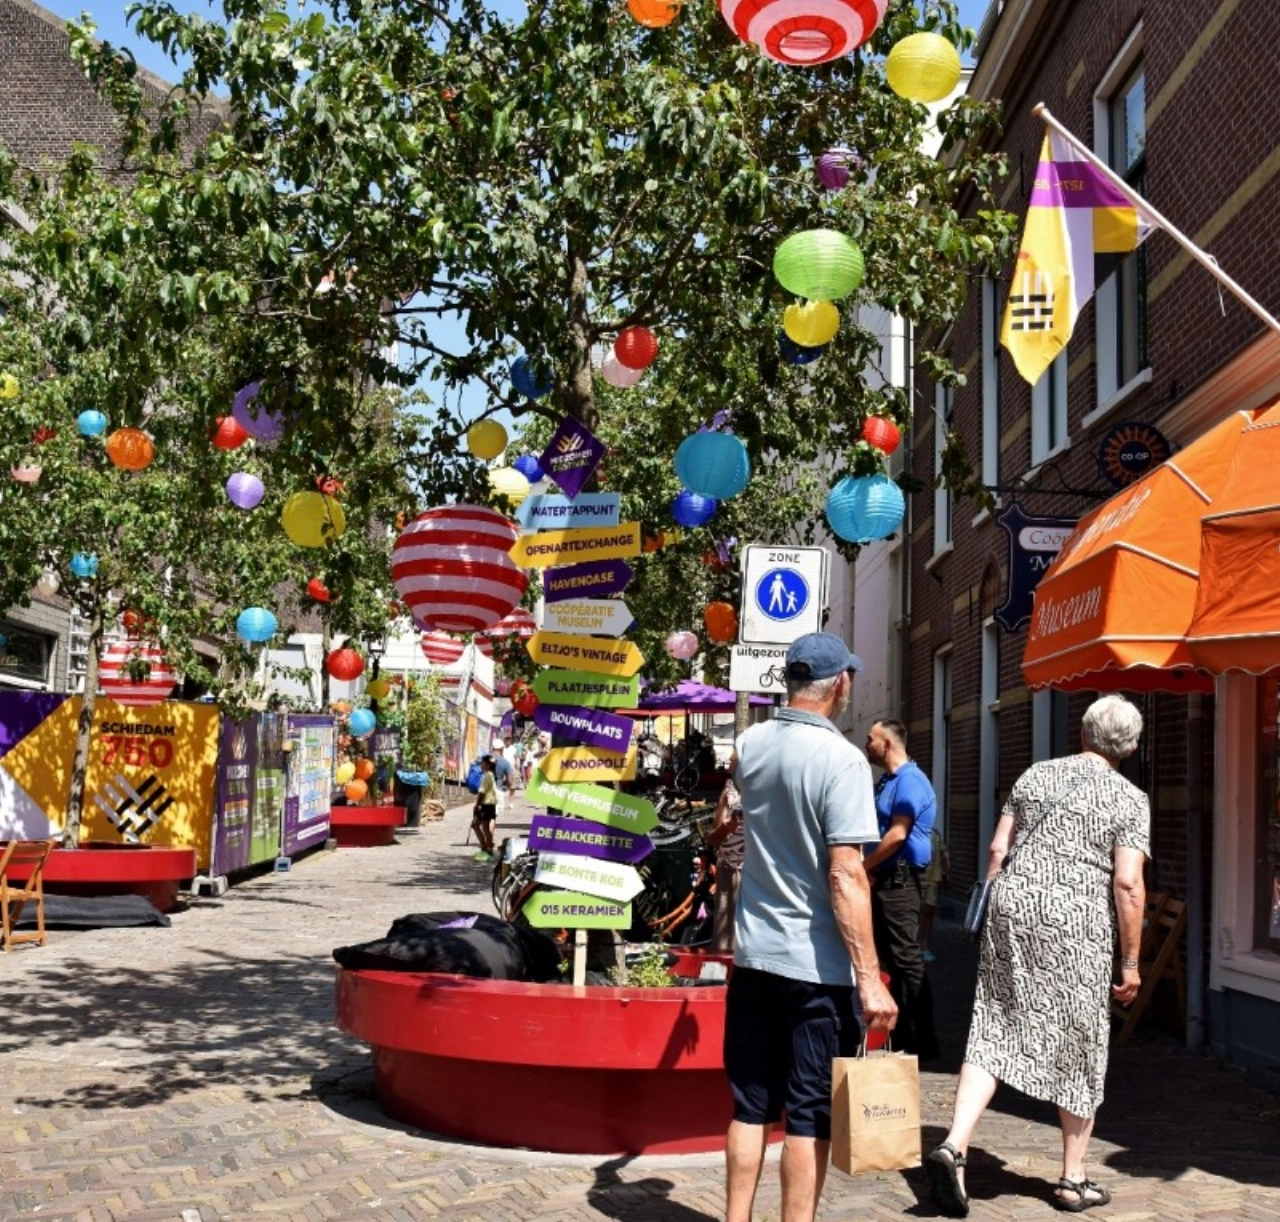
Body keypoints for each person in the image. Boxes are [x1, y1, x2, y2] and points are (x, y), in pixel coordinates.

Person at [926, 694, 1149, 1218]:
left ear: (1083, 734)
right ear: (1133, 747)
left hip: (1012, 906)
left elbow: (998, 850)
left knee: (994, 1026)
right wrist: (1132, 961)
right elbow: (1128, 882)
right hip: (1076, 923)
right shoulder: (1129, 798)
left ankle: (953, 1145)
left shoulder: (1035, 774)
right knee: (1081, 1039)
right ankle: (1073, 1180)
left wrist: (1000, 902)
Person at [724, 632, 897, 1222]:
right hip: (816, 968)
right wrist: (870, 979)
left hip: (753, 957)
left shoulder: (748, 744)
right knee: (807, 1114)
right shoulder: (843, 760)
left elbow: (732, 814)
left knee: (749, 1106)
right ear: (840, 684)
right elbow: (847, 874)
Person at [863, 718, 940, 1061]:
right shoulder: (889, 781)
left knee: (906, 958)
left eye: (871, 739)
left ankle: (923, 1036)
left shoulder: (909, 781)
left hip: (901, 882)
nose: (867, 745)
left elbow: (897, 834)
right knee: (890, 958)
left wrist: (864, 867)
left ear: (888, 743)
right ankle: (901, 1032)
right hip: (888, 879)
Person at [705, 754, 744, 953]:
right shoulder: (729, 790)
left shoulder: (766, 789)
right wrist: (728, 826)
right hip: (727, 868)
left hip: (754, 873)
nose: (728, 765)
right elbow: (712, 838)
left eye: (733, 762)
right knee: (723, 937)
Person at [920, 826, 950, 962]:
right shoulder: (913, 830)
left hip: (932, 878)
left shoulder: (935, 833)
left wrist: (947, 873)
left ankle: (924, 946)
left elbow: (942, 853)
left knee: (928, 912)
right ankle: (913, 946)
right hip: (916, 879)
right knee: (915, 913)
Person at [471, 756, 498, 862]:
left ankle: (486, 847)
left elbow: (482, 792)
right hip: (490, 804)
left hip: (486, 804)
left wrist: (477, 804)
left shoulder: (487, 776)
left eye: (482, 763)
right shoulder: (491, 775)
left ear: (488, 764)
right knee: (482, 826)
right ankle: (486, 847)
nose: (481, 765)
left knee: (478, 825)